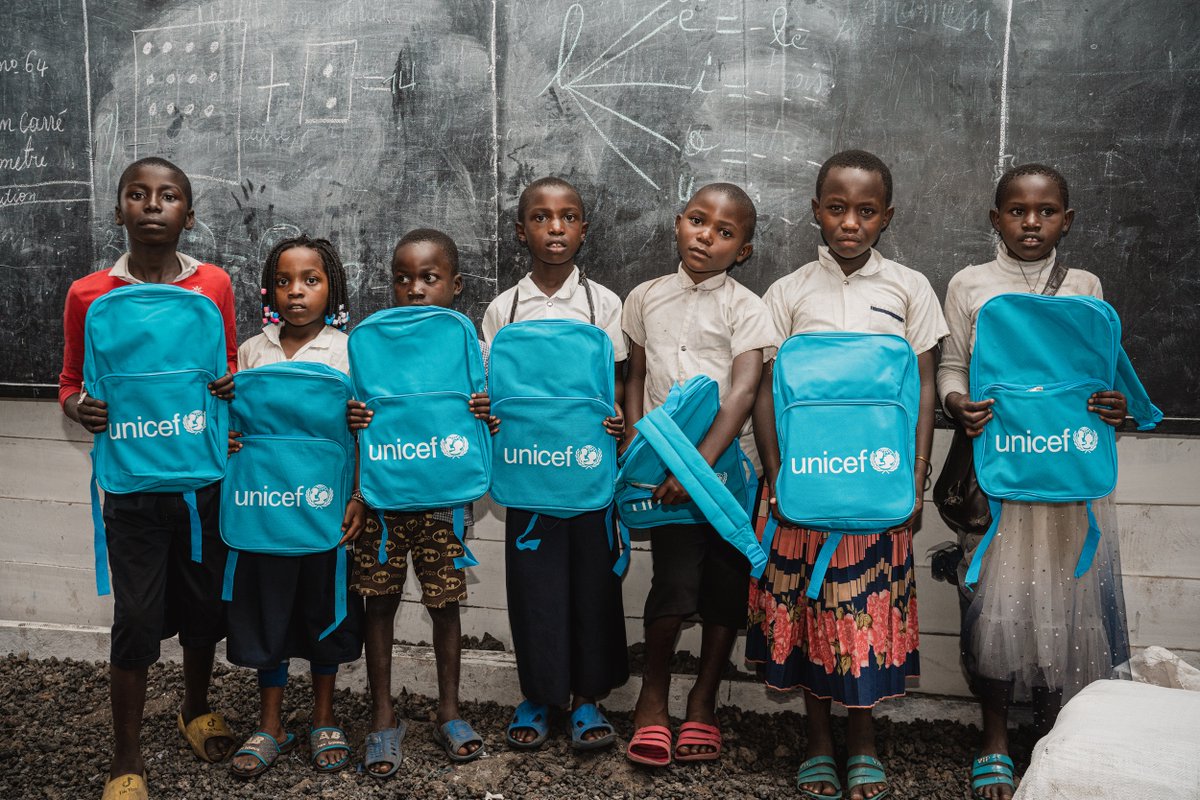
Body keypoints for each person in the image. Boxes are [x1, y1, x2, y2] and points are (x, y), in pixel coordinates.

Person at [746, 150, 946, 800]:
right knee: (808, 616)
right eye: (837, 208)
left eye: (865, 210)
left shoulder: (910, 289)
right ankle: (816, 742)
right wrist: (775, 478)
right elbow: (765, 393)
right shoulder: (787, 293)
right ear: (815, 211)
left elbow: (921, 389)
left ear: (886, 216)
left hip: (877, 489)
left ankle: (862, 741)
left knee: (865, 619)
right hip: (803, 491)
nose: (850, 222)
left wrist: (915, 481)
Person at [938, 163, 1129, 800]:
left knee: (1066, 604)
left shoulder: (1085, 284)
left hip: (1064, 469)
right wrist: (957, 403)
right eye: (1016, 211)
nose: (1031, 222)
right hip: (1001, 467)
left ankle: (1053, 733)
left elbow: (1095, 374)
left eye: (1046, 212)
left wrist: (1111, 403)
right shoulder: (969, 284)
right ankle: (993, 736)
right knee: (993, 604)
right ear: (996, 219)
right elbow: (953, 363)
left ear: (1065, 222)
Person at [58, 157, 237, 800]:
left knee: (202, 608)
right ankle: (125, 754)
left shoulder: (213, 285)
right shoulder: (88, 294)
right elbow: (71, 382)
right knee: (135, 617)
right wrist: (82, 407)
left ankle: (194, 708)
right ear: (119, 211)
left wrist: (228, 387)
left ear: (189, 214)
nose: (153, 205)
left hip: (198, 488)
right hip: (132, 489)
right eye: (138, 194)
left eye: (169, 196)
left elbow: (229, 366)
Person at [622, 182, 777, 767]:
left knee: (723, 588)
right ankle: (653, 699)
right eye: (696, 220)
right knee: (674, 582)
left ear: (742, 251)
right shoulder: (644, 297)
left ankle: (704, 702)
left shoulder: (747, 307)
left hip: (728, 470)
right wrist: (638, 441)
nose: (705, 235)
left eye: (725, 231)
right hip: (664, 468)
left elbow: (741, 393)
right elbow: (635, 376)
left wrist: (698, 468)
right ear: (678, 223)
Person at [481, 177, 629, 751]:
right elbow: (492, 393)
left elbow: (614, 386)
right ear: (522, 232)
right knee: (535, 589)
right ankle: (541, 695)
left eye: (568, 217)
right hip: (529, 471)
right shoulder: (504, 308)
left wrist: (618, 421)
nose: (556, 228)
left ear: (584, 230)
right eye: (541, 218)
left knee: (593, 585)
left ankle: (589, 699)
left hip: (588, 471)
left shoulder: (604, 304)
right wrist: (489, 419)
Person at [347, 228, 497, 773]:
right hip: (383, 504)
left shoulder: (470, 343)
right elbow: (354, 413)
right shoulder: (370, 342)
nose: (415, 288)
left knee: (445, 607)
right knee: (379, 606)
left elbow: (487, 413)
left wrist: (485, 413)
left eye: (429, 278)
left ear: (455, 286)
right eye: (403, 278)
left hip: (442, 505)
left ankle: (449, 711)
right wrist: (354, 418)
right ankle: (382, 716)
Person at [225, 235, 366, 778]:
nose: (296, 292)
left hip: (326, 509)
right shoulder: (253, 350)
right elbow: (240, 426)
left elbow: (363, 436)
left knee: (322, 610)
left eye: (311, 280)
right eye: (284, 281)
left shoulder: (348, 350)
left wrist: (358, 497)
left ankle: (323, 716)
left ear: (333, 288)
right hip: (266, 507)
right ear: (269, 291)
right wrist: (231, 440)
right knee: (270, 610)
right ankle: (271, 722)